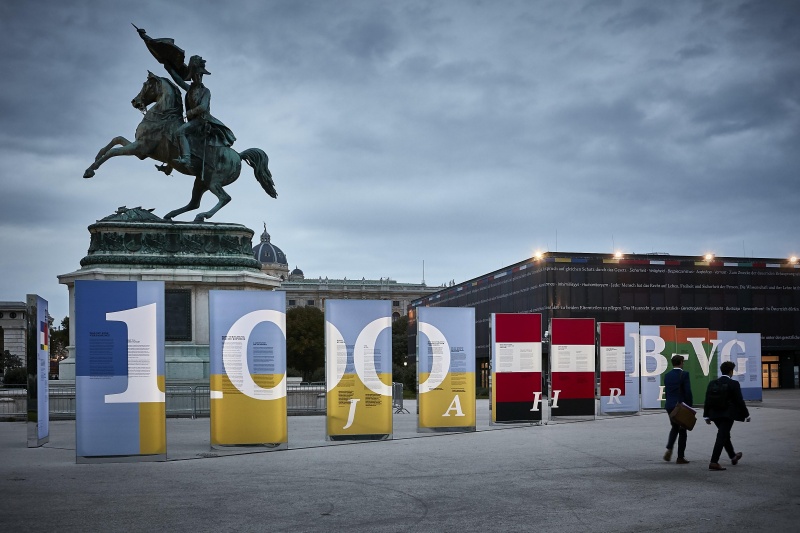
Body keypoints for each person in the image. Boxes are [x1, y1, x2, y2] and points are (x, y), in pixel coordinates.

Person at [703, 361, 751, 471]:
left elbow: (707, 399)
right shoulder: (734, 384)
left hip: (714, 415)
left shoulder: (712, 383)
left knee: (724, 435)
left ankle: (733, 456)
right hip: (727, 415)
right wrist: (746, 415)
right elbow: (739, 401)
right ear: (731, 371)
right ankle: (714, 462)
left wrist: (706, 415)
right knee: (721, 436)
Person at [663, 354, 693, 464]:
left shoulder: (667, 375)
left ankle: (669, 448)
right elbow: (688, 392)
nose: (683, 363)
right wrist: (689, 406)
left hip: (670, 406)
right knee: (683, 430)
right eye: (683, 362)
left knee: (675, 427)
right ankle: (680, 457)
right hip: (680, 406)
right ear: (680, 362)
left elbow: (668, 392)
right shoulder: (684, 374)